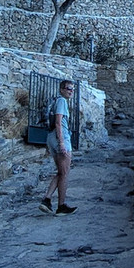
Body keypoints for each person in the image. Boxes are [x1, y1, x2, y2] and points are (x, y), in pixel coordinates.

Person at [39, 80, 76, 214]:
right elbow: (58, 122)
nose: (71, 91)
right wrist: (61, 142)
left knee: (61, 172)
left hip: (51, 137)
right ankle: (60, 206)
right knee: (64, 173)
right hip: (60, 138)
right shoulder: (61, 102)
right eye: (68, 89)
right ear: (61, 89)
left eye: (72, 89)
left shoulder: (57, 101)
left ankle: (48, 200)